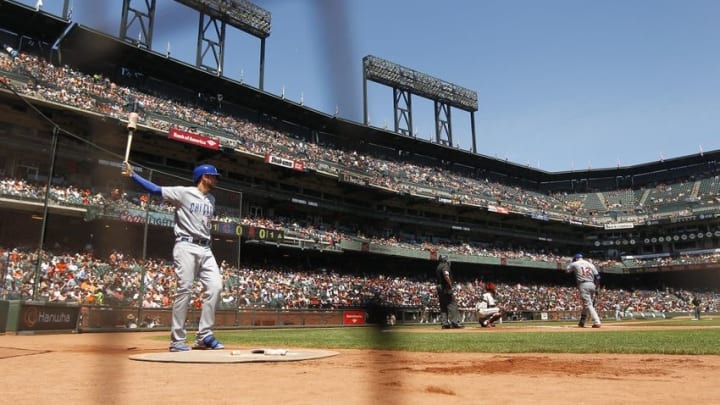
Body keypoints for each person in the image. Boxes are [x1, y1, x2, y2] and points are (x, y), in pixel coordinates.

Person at [123, 161, 224, 352]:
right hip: (185, 245)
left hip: (206, 248)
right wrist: (132, 175)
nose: (216, 179)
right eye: (214, 176)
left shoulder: (212, 199)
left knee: (216, 287)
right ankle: (177, 340)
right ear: (204, 176)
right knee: (184, 290)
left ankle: (204, 336)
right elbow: (155, 190)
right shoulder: (184, 192)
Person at [566, 253, 602, 328]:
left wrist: (571, 264)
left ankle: (597, 321)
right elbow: (598, 277)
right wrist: (597, 288)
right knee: (587, 304)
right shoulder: (591, 264)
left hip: (583, 284)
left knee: (588, 304)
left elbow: (567, 271)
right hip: (592, 284)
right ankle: (582, 321)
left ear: (576, 258)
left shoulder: (575, 263)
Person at [435, 254, 463, 329]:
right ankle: (455, 322)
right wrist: (450, 284)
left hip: (439, 287)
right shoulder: (445, 265)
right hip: (445, 287)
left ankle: (445, 323)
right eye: (447, 259)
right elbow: (446, 275)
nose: (448, 260)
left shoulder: (438, 266)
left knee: (443, 306)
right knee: (452, 304)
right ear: (445, 260)